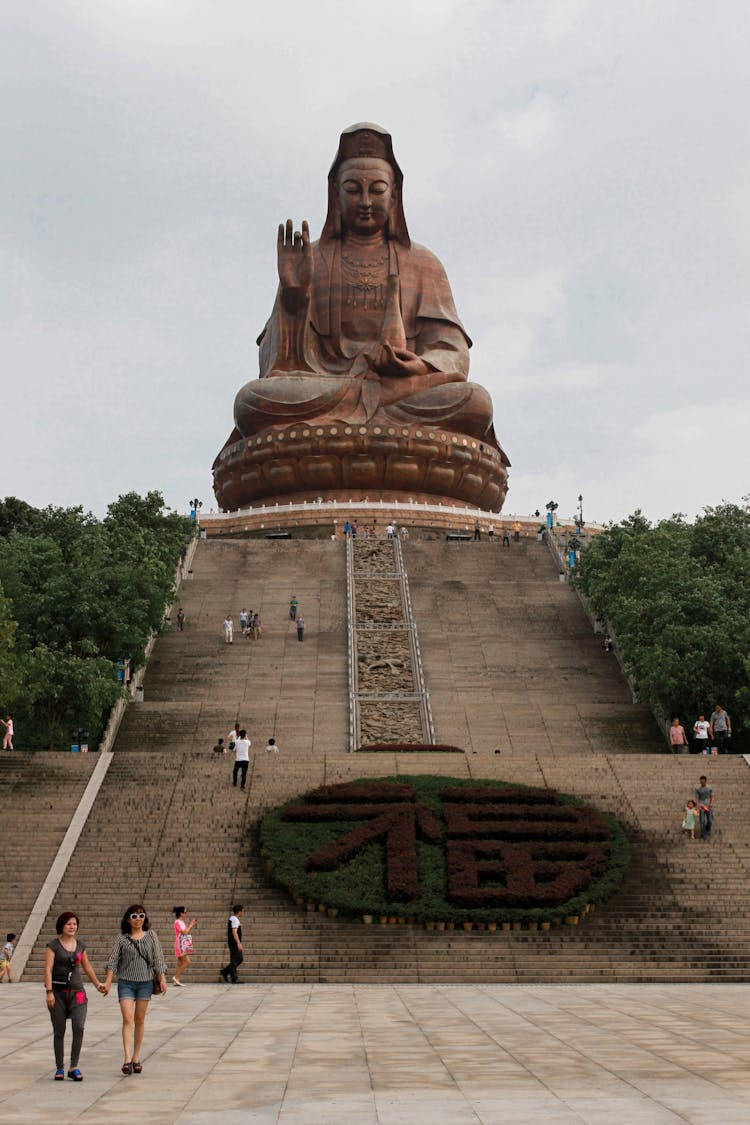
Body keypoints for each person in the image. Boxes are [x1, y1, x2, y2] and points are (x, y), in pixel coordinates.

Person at [227, 124, 499, 447]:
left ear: (394, 194)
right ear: (335, 194)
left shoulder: (423, 263)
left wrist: (416, 365)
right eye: (354, 190)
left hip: (399, 391)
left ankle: (356, 423)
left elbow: (454, 355)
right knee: (251, 402)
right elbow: (276, 366)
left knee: (476, 403)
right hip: (329, 388)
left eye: (377, 189)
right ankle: (366, 423)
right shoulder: (311, 259)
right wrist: (293, 298)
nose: (366, 201)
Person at [102, 904, 167, 1075]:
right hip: (126, 983)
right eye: (134, 916)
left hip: (145, 983)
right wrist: (108, 982)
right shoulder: (122, 939)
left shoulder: (151, 936)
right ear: (127, 919)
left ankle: (136, 1058)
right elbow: (112, 961)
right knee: (127, 1018)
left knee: (139, 1019)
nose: (138, 919)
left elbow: (158, 958)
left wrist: (162, 979)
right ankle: (127, 1058)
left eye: (141, 916)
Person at [44, 911, 105, 1081]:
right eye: (69, 924)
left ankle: (74, 1066)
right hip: (57, 993)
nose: (72, 927)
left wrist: (98, 984)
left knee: (78, 1027)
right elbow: (48, 969)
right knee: (59, 1031)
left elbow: (87, 968)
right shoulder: (53, 946)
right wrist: (49, 992)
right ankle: (59, 1067)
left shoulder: (80, 946)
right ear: (61, 926)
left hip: (77, 993)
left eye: (74, 924)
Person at [172, 907, 198, 987]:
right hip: (180, 945)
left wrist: (191, 925)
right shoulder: (177, 922)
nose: (186, 914)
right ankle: (176, 977)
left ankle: (177, 979)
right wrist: (191, 924)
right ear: (181, 913)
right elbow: (184, 932)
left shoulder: (181, 922)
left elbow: (186, 932)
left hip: (181, 943)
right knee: (187, 961)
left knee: (180, 963)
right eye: (185, 912)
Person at [220, 905, 244, 984]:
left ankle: (225, 971)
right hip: (234, 943)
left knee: (239, 959)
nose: (243, 913)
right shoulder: (235, 920)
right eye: (242, 911)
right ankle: (234, 978)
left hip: (233, 942)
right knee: (235, 960)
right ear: (239, 912)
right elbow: (234, 932)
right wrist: (238, 943)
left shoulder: (233, 918)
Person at [694, 776, 714, 841]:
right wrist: (697, 806)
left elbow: (712, 796)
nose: (702, 783)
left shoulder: (709, 788)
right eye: (701, 782)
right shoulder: (697, 788)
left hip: (708, 806)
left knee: (710, 821)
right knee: (702, 821)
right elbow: (697, 798)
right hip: (701, 806)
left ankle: (705, 830)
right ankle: (703, 834)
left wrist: (712, 803)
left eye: (703, 782)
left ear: (705, 781)